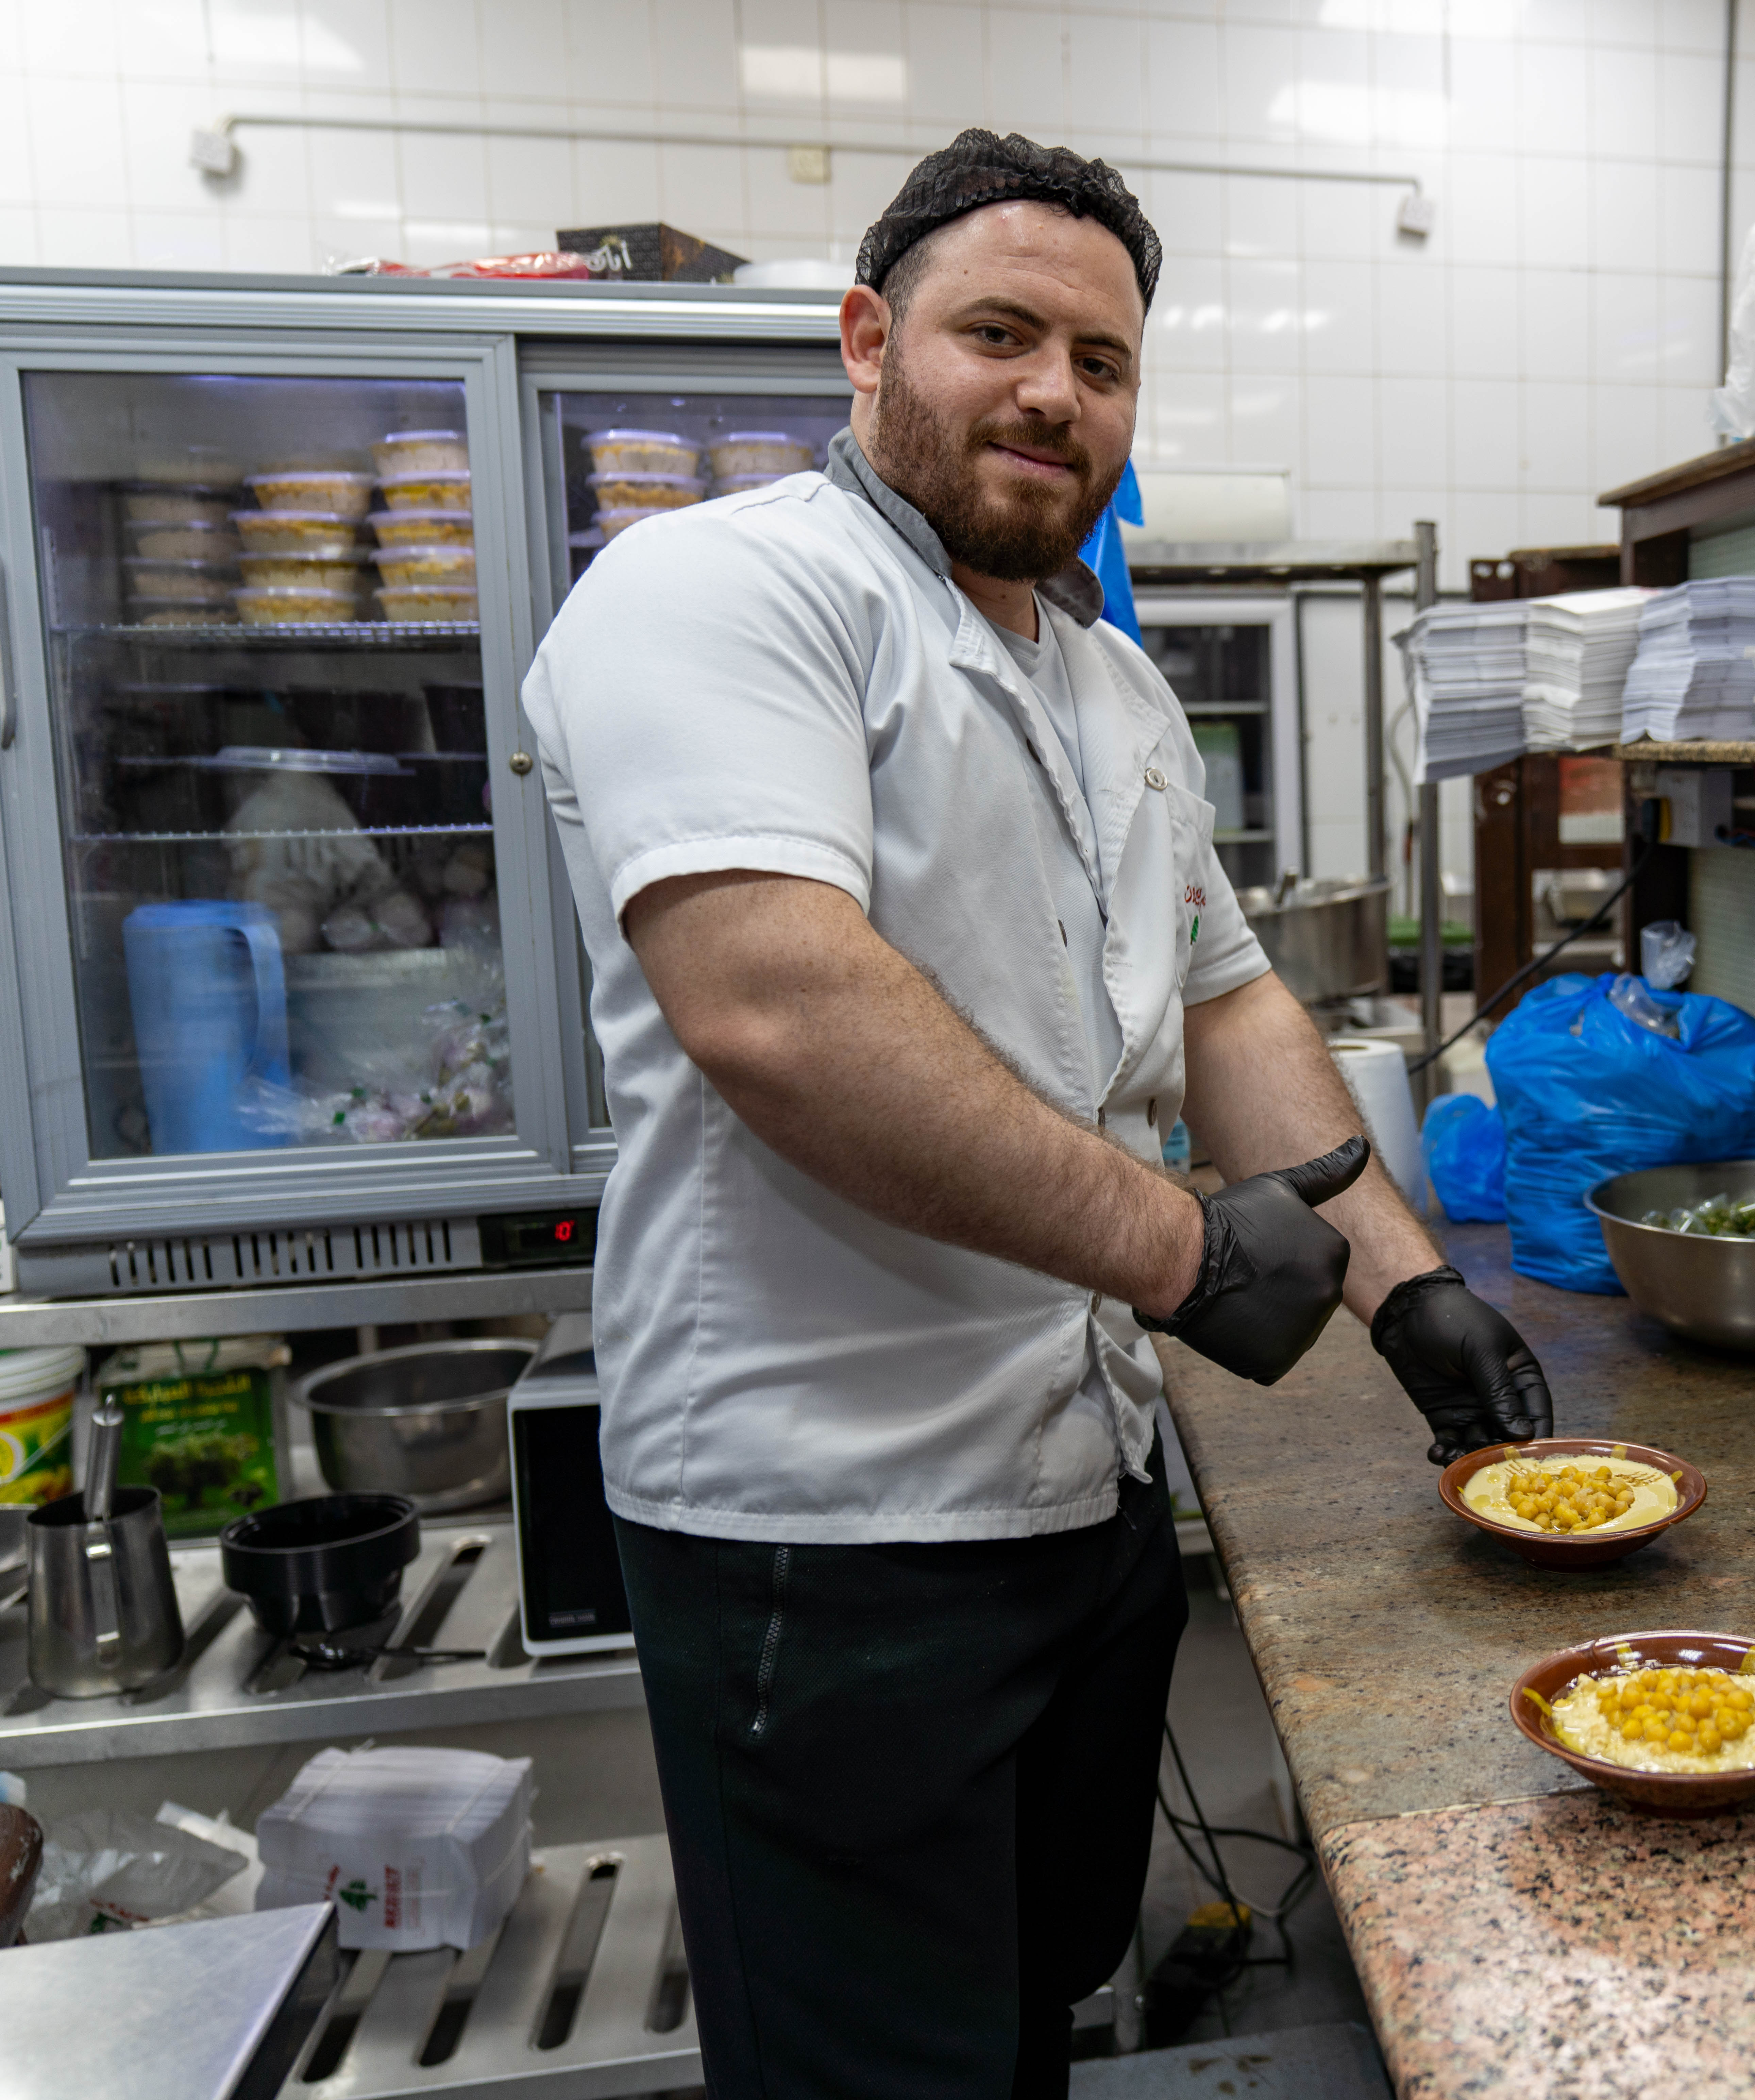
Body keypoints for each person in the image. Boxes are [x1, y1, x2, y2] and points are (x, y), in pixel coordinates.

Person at [522, 130, 1554, 2098]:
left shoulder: (1109, 686)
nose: (1052, 393)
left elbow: (1231, 993)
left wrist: (1399, 1279)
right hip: (820, 1535)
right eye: (999, 333)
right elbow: (778, 1012)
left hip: (1078, 1499)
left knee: (1030, 2018)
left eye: (1102, 360)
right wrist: (1181, 1248)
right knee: (873, 2072)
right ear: (864, 340)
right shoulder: (725, 592)